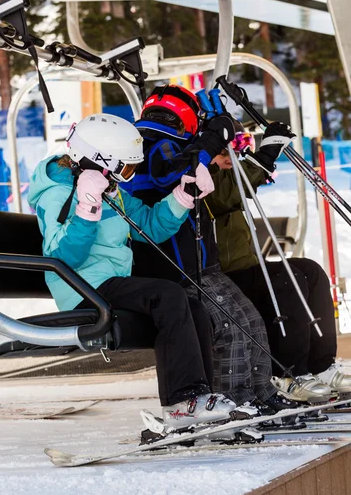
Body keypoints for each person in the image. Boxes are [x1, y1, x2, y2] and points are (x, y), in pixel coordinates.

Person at [28, 112, 236, 430]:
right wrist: (86, 208)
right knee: (167, 295)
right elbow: (64, 257)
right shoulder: (58, 193)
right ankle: (183, 401)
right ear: (99, 159)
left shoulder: (108, 187)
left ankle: (199, 397)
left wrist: (183, 196)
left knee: (192, 305)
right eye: (124, 168)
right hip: (82, 288)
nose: (126, 176)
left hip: (110, 283)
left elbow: (148, 227)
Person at [124, 84, 299, 413]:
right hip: (176, 268)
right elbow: (171, 173)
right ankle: (234, 399)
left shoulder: (166, 143)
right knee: (229, 330)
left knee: (251, 321)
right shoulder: (151, 144)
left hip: (200, 263)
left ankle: (259, 391)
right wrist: (212, 137)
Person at [206, 121, 351, 401]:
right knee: (286, 280)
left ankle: (320, 365)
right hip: (218, 277)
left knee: (310, 271)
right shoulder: (201, 180)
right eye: (223, 151)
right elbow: (226, 194)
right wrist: (263, 158)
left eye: (236, 150)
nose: (229, 157)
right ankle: (289, 372)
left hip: (244, 267)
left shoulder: (226, 176)